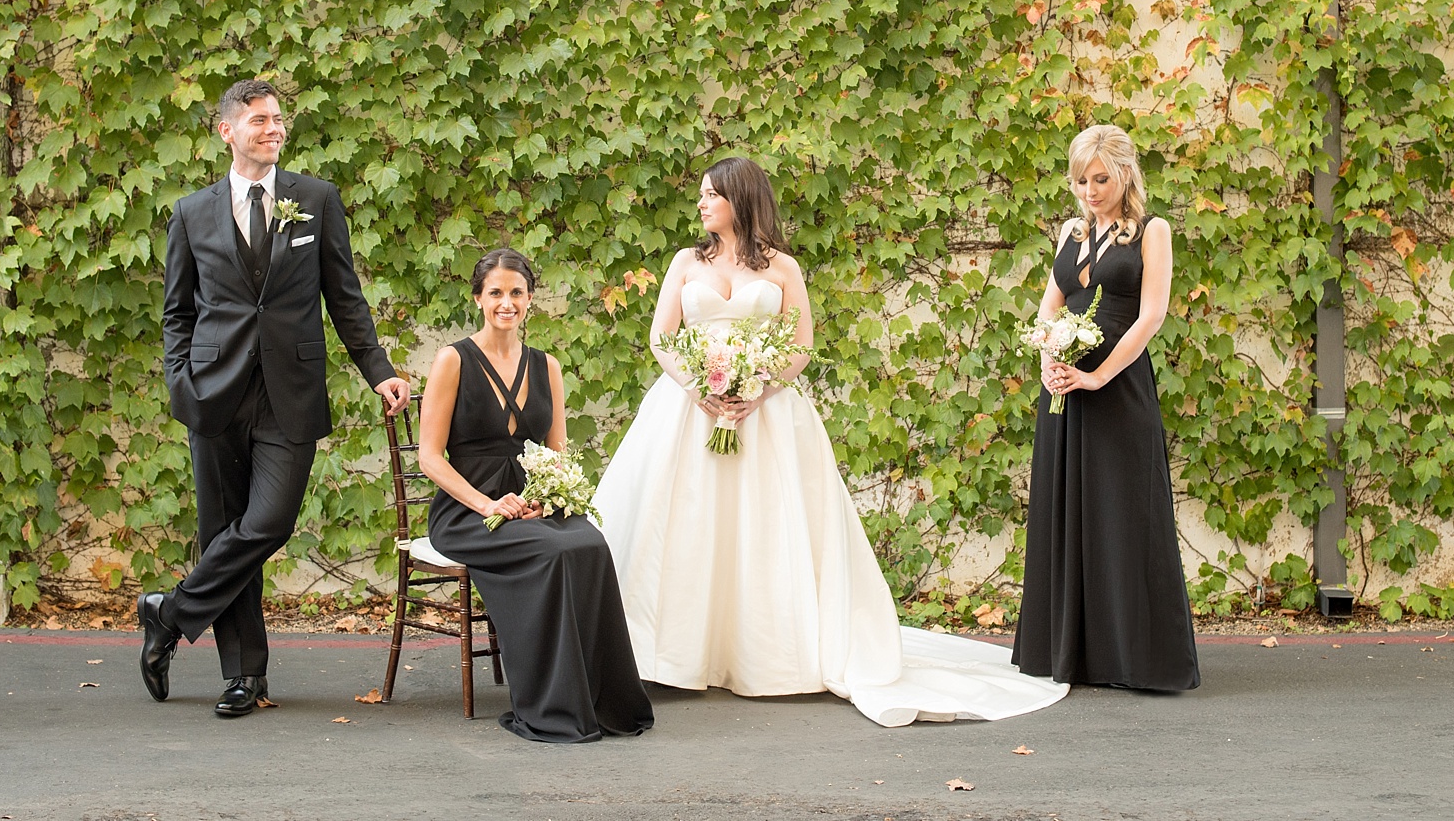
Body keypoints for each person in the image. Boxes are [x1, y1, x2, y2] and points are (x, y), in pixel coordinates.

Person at [593, 157, 1068, 727]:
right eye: (701, 195)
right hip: (688, 409)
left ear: (740, 200)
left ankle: (763, 654)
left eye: (711, 195)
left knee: (761, 528)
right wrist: (699, 387)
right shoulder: (685, 262)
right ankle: (666, 653)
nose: (701, 204)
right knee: (688, 525)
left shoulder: (783, 268)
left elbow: (799, 347)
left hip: (763, 413)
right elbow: (661, 337)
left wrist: (758, 390)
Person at [143, 77, 411, 716]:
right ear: (226, 130)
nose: (274, 129)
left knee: (267, 523)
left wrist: (379, 370)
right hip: (213, 392)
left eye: (278, 119)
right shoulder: (190, 212)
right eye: (259, 120)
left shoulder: (315, 200)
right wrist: (181, 380)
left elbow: (343, 295)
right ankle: (244, 677)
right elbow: (177, 311)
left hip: (288, 392)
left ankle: (170, 614)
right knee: (222, 532)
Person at [417, 248, 654, 743]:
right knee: (552, 550)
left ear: (530, 300)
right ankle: (553, 704)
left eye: (517, 293)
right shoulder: (452, 360)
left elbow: (557, 452)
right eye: (496, 293)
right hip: (469, 512)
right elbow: (430, 458)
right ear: (478, 298)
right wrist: (489, 505)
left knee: (588, 544)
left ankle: (603, 701)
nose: (507, 302)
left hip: (533, 505)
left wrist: (548, 497)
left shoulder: (547, 366)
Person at [1011, 124, 1201, 691]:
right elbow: (1050, 305)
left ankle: (1137, 659)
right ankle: (1070, 654)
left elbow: (1152, 315)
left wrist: (1097, 376)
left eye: (1100, 178)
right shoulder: (1071, 231)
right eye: (1080, 180)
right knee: (1065, 511)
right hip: (1064, 389)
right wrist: (1049, 358)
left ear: (1124, 173)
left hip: (1117, 388)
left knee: (1122, 515)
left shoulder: (1152, 230)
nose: (1090, 190)